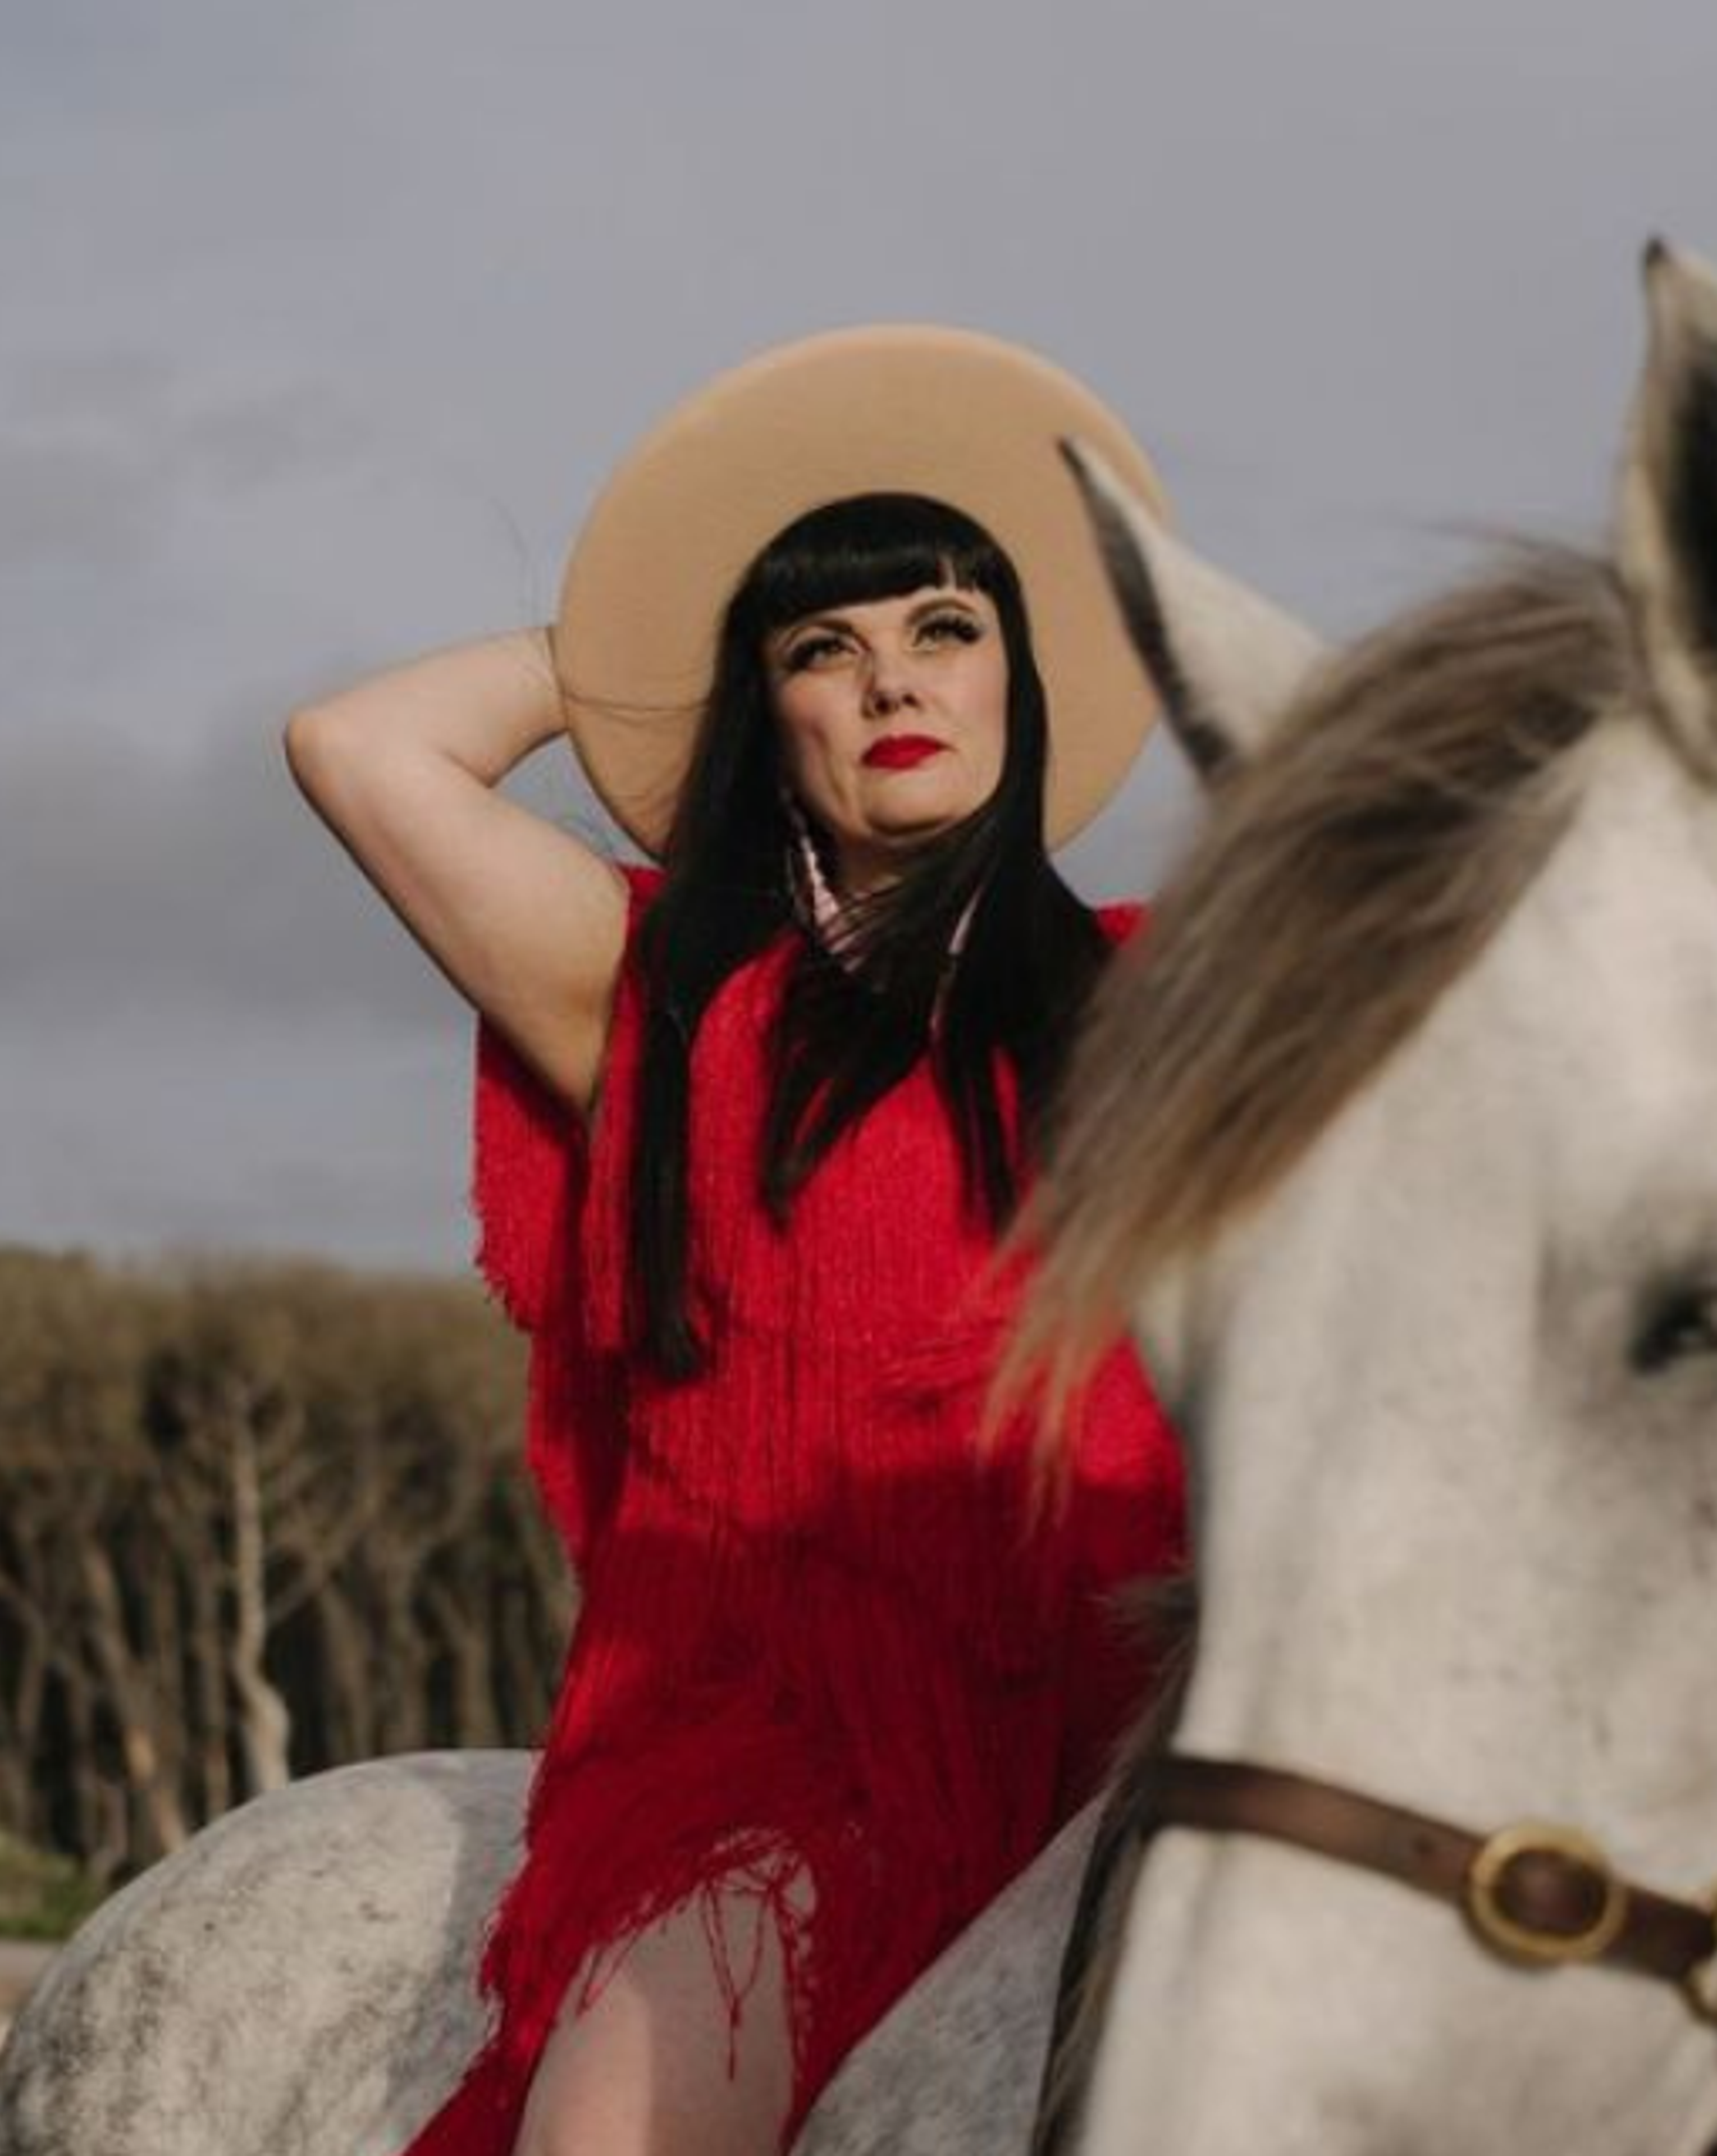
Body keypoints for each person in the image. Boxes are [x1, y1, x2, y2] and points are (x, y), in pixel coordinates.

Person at [282, 326, 1188, 2156]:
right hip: (770, 1765)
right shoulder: (659, 996)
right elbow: (358, 747)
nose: (891, 679)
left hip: (1128, 1733)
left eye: (946, 628)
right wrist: (631, 642)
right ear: (764, 719)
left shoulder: (1174, 989)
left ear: (1021, 684)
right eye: (819, 650)